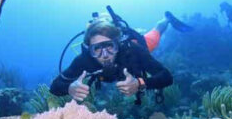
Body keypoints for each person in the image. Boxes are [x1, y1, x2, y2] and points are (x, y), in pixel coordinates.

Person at [49, 11, 189, 104]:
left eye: (109, 46)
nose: (105, 55)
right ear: (89, 49)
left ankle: (166, 19)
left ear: (118, 44)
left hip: (138, 46)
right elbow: (55, 86)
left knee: (155, 34)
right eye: (97, 48)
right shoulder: (84, 61)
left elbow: (167, 77)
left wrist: (140, 83)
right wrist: (69, 88)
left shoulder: (132, 51)